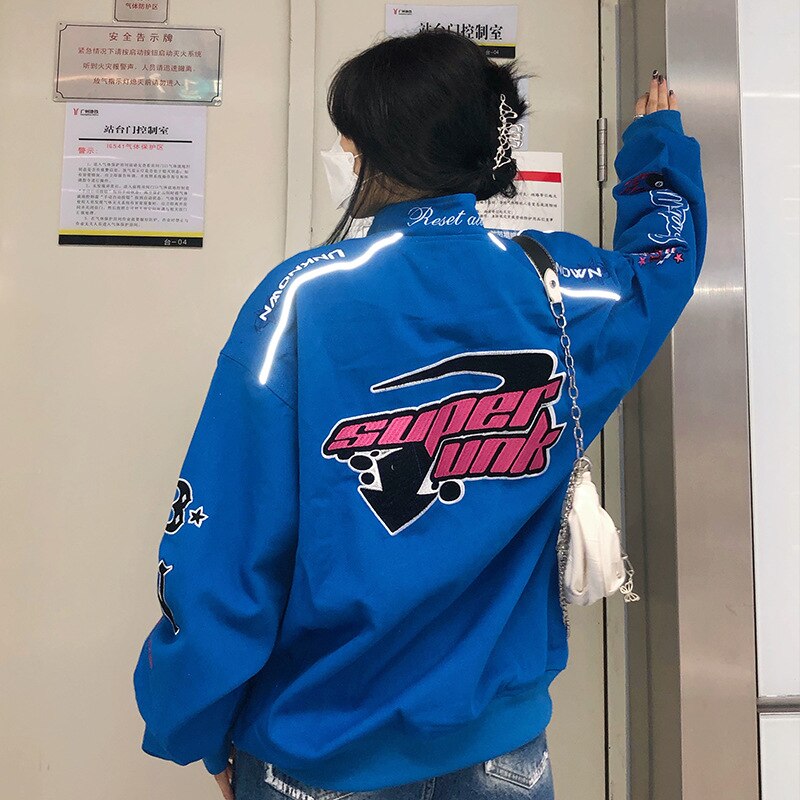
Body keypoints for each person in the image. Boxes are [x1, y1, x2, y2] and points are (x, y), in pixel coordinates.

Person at [132, 29, 705, 800]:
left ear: (379, 149)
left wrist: (197, 723)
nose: (344, 150)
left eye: (350, 135)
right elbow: (661, 269)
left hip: (318, 751)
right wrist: (656, 151)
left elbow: (228, 543)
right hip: (501, 752)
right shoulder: (558, 284)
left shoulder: (302, 300)